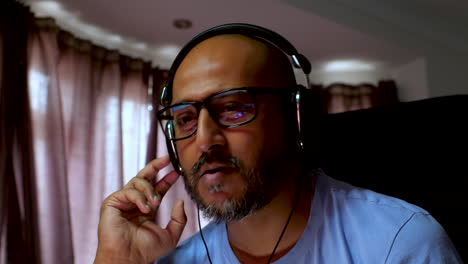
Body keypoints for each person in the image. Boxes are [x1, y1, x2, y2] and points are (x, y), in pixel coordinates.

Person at [93, 24, 462, 264]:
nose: (204, 140)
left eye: (234, 108)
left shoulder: (399, 243)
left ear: (295, 119)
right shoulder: (175, 261)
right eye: (186, 118)